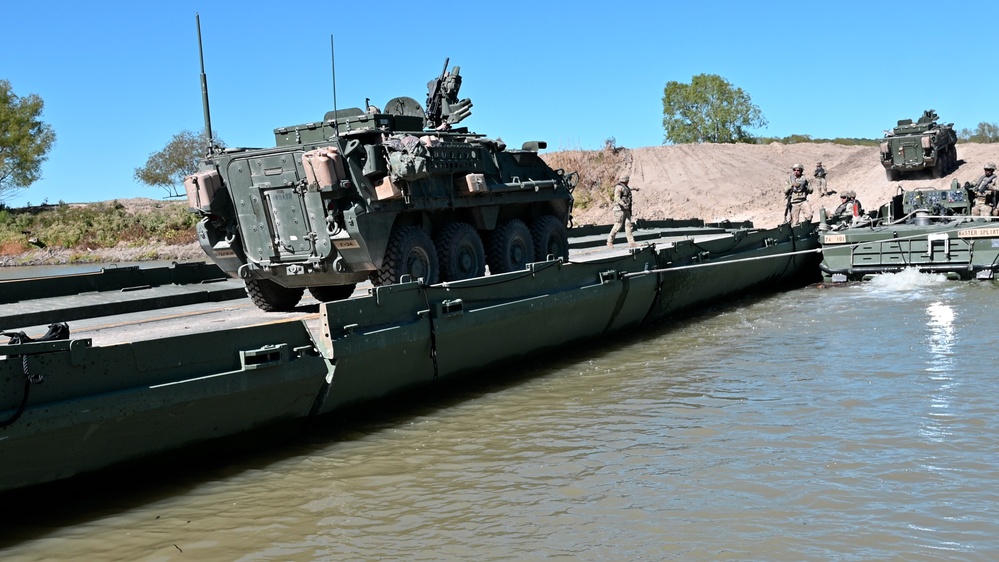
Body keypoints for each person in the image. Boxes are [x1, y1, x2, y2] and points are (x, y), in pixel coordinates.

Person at [607, 174, 639, 247]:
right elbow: (617, 198)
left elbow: (627, 190)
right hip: (620, 210)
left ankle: (631, 242)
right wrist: (624, 205)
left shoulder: (625, 187)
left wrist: (634, 189)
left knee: (629, 225)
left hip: (626, 209)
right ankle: (609, 241)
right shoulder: (618, 188)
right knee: (618, 226)